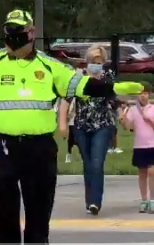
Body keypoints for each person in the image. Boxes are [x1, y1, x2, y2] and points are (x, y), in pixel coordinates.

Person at [0, 9, 142, 243]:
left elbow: (84, 86)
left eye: (19, 29)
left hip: (39, 151)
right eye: (9, 29)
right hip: (4, 150)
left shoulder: (50, 67)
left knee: (38, 223)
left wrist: (115, 89)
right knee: (4, 220)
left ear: (31, 32)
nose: (13, 35)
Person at [61, 44, 116, 216]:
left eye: (99, 61)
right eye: (93, 61)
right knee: (88, 164)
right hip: (81, 126)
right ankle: (89, 199)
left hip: (102, 125)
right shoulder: (78, 78)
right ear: (87, 61)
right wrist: (62, 123)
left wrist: (123, 113)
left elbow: (113, 99)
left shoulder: (107, 77)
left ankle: (95, 202)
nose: (96, 64)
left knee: (97, 163)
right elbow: (66, 100)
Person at [121, 82, 154, 214]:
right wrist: (122, 117)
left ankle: (153, 199)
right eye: (140, 94)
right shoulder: (133, 110)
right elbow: (127, 126)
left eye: (145, 93)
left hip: (152, 145)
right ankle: (144, 199)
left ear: (149, 94)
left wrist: (150, 121)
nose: (143, 96)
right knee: (142, 173)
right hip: (139, 146)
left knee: (152, 171)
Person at [59, 97, 77, 163]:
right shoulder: (71, 98)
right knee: (71, 139)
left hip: (79, 122)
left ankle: (83, 156)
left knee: (80, 139)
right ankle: (69, 154)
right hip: (72, 122)